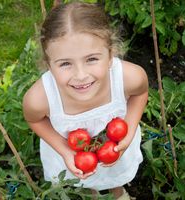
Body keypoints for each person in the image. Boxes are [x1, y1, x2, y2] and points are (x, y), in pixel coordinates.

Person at [22, 2, 148, 200]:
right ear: (48, 64)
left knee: (114, 170)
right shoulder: (39, 98)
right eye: (65, 63)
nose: (80, 75)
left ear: (110, 54)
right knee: (86, 177)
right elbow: (35, 119)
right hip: (76, 154)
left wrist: (130, 129)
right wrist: (64, 150)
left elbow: (140, 94)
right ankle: (94, 192)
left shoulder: (129, 77)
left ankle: (118, 190)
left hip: (113, 148)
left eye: (91, 59)